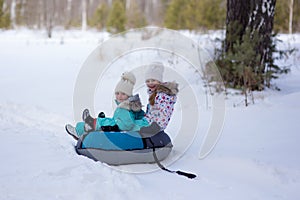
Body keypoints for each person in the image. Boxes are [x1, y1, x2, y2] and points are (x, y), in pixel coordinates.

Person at [65, 71, 149, 139]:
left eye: (123, 94)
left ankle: (79, 131)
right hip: (127, 125)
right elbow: (133, 118)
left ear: (129, 95)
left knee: (104, 123)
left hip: (123, 129)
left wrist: (112, 128)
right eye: (117, 93)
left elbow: (126, 125)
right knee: (106, 121)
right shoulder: (132, 105)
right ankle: (92, 121)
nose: (119, 96)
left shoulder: (124, 108)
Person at [144, 62, 179, 131]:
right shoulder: (154, 95)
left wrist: (143, 125)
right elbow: (150, 115)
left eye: (153, 80)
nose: (150, 83)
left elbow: (161, 119)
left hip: (153, 130)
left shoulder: (164, 97)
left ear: (159, 81)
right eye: (148, 81)